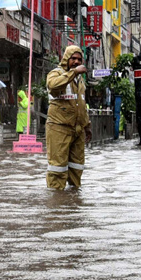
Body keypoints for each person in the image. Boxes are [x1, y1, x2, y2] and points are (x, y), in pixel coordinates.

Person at [45, 45, 92, 189]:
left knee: (77, 168)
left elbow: (81, 104)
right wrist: (73, 73)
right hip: (59, 128)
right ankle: (56, 202)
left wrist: (87, 126)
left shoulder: (80, 81)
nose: (77, 62)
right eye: (73, 58)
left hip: (77, 130)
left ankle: (73, 201)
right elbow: (53, 86)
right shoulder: (56, 73)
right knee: (57, 169)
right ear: (66, 59)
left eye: (79, 59)